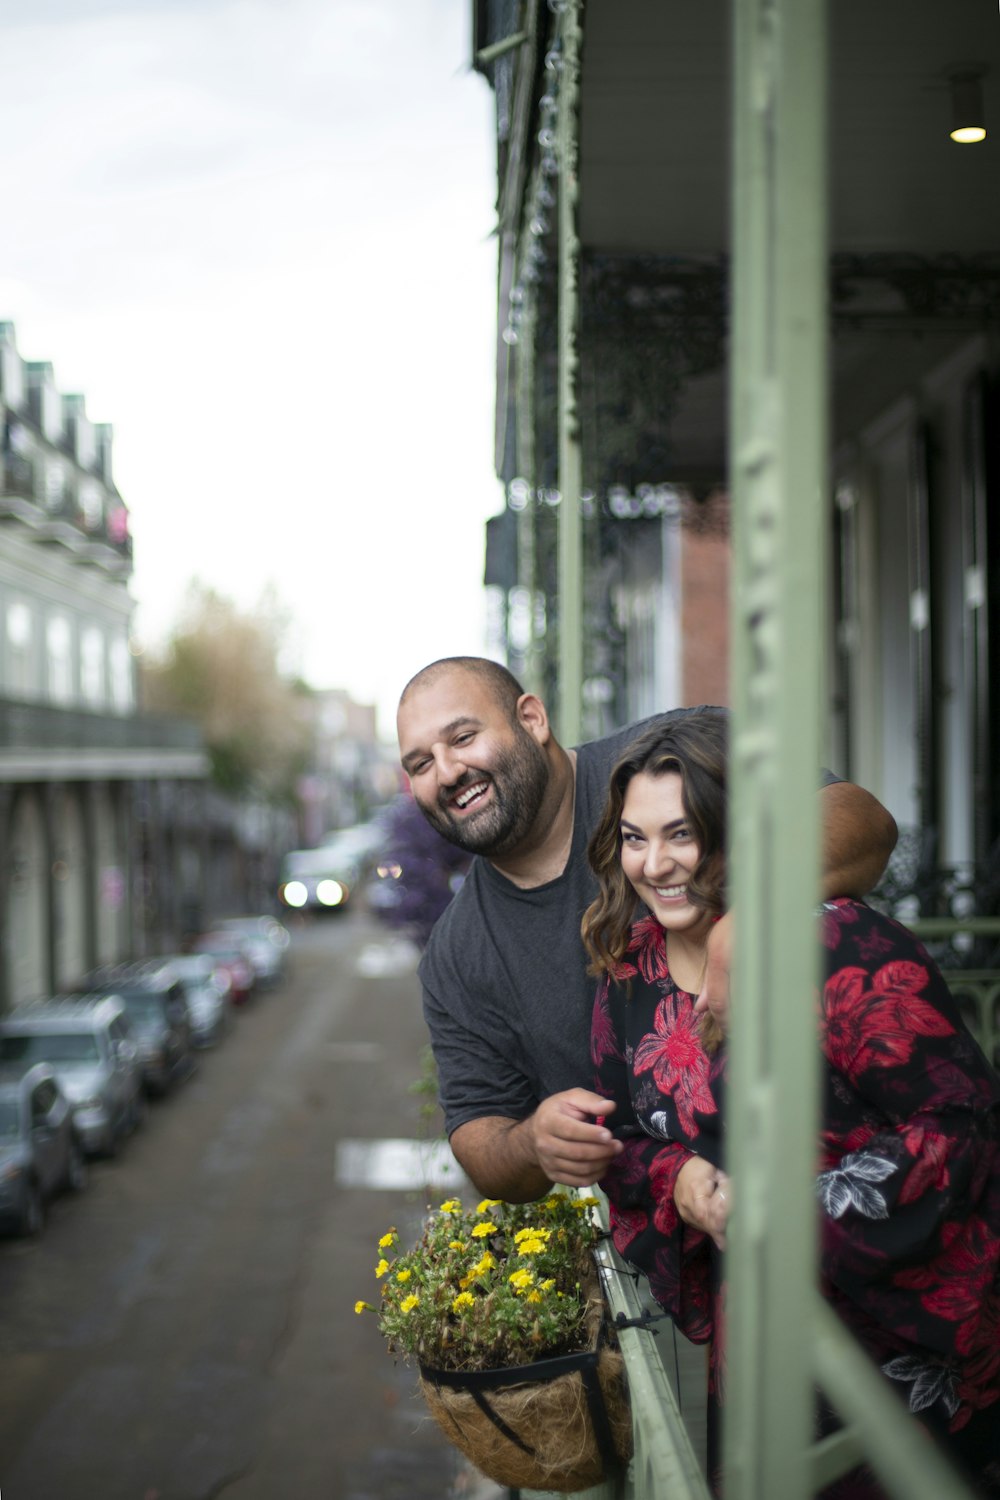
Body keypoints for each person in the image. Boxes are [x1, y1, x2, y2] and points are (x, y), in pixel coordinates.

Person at [583, 711, 1000, 1497]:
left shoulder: (837, 944)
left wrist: (792, 1212)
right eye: (635, 838)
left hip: (901, 1350)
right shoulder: (628, 979)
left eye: (682, 833)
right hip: (760, 1352)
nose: (657, 863)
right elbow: (627, 1136)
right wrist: (679, 1181)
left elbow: (960, 1119)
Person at [396, 655, 897, 1202]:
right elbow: (479, 1129)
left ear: (533, 719)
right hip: (694, 1237)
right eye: (420, 764)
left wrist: (756, 915)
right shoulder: (456, 956)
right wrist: (532, 1142)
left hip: (871, 1171)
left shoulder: (671, 757)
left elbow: (861, 819)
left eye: (463, 737)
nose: (446, 772)